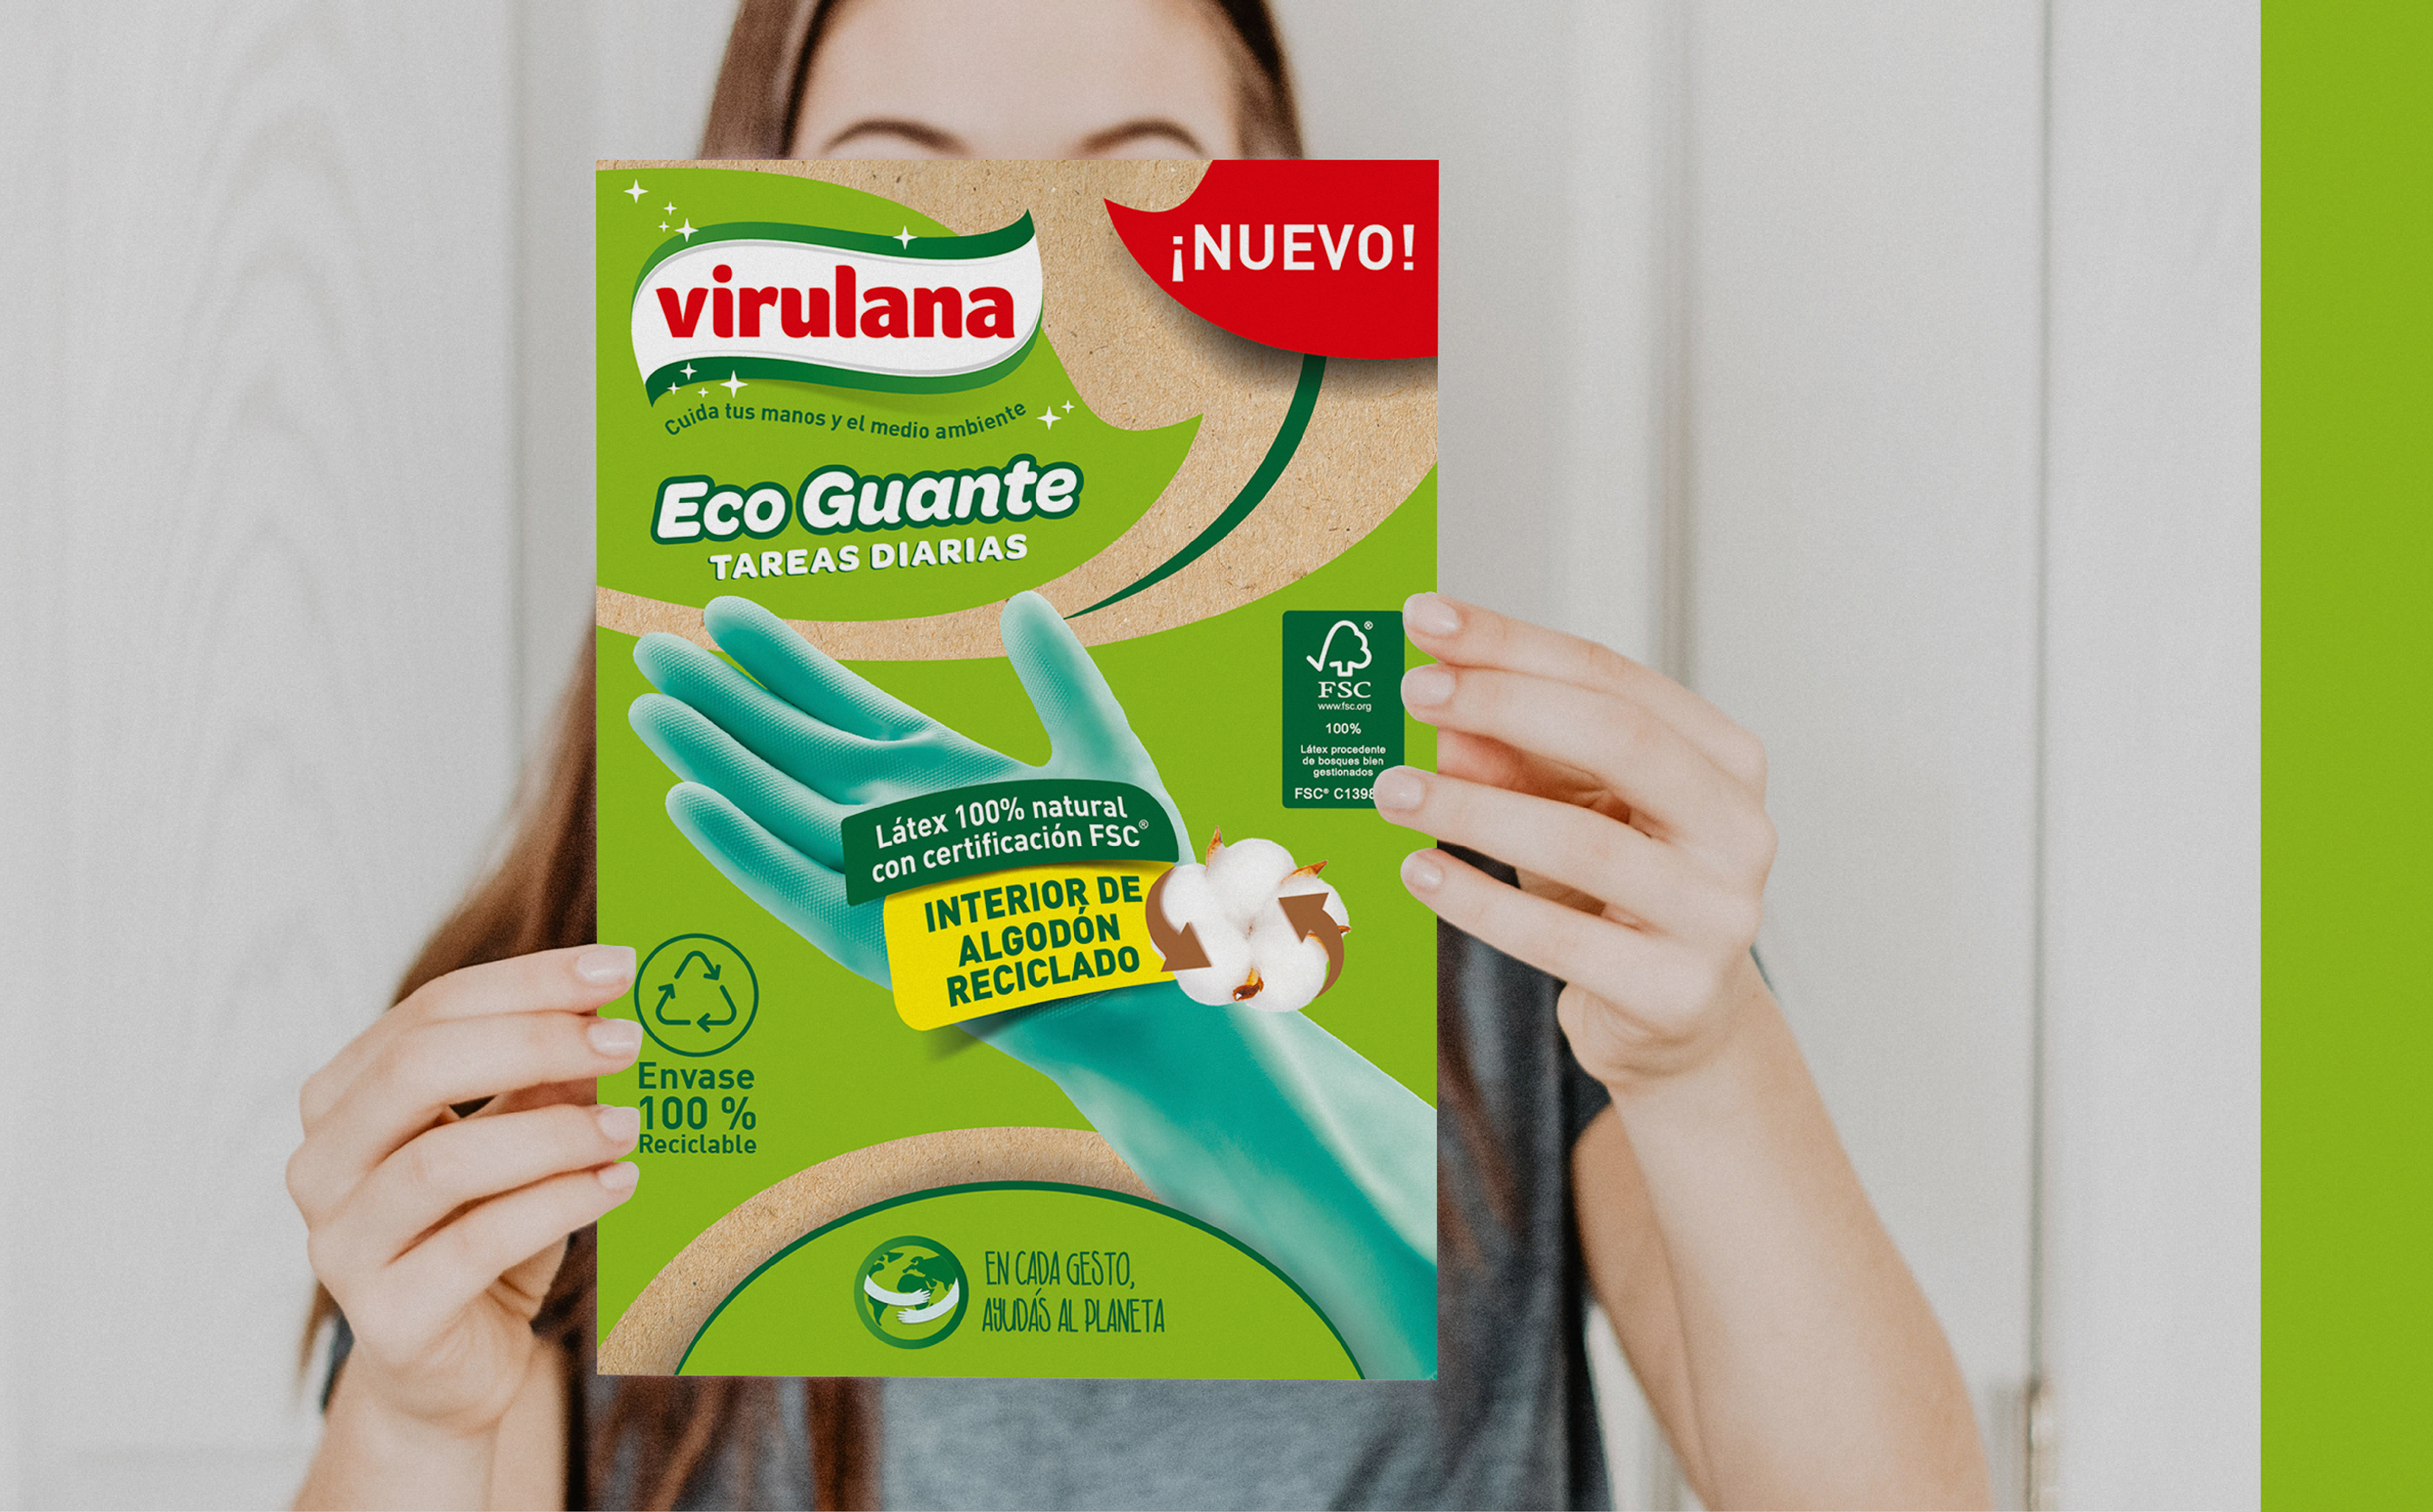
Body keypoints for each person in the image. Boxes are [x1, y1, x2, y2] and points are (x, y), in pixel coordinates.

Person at [288, 1, 1991, 1507]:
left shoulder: (1512, 891)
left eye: (1137, 184)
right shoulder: (555, 1009)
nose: (1033, 259)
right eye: (898, 183)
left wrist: (1707, 1057)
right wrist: (419, 1425)